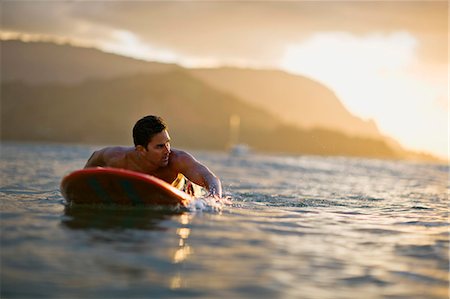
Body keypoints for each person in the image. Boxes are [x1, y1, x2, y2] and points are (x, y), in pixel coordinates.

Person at [84, 115, 222, 198]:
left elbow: (210, 178)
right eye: (160, 146)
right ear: (141, 149)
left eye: (168, 143)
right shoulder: (118, 158)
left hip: (182, 189)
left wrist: (215, 197)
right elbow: (95, 158)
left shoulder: (178, 159)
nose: (167, 150)